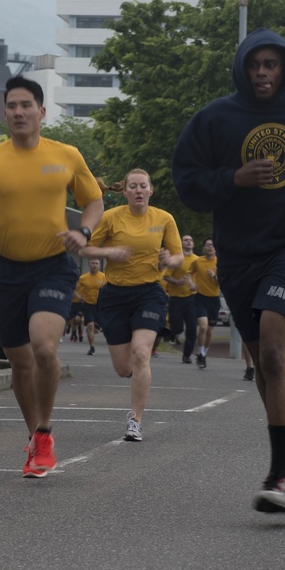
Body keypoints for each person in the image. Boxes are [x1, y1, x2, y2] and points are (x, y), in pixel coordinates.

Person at [172, 27, 285, 513]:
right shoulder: (216, 118)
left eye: (271, 65)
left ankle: (281, 474)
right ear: (243, 68)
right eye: (255, 65)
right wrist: (233, 178)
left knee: (274, 352)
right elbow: (185, 182)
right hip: (236, 253)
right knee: (264, 366)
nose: (263, 73)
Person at [0, 76, 104, 479]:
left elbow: (93, 200)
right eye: (12, 106)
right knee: (19, 363)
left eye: (26, 105)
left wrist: (84, 232)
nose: (18, 112)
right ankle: (35, 439)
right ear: (4, 113)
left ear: (41, 111)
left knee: (42, 347)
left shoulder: (67, 155)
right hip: (8, 271)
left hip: (54, 264)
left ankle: (45, 430)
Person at [80, 168, 183, 442]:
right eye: (133, 186)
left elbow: (178, 257)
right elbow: (85, 249)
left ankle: (135, 420)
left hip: (149, 293)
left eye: (143, 186)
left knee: (141, 353)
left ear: (150, 191)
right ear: (124, 191)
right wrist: (108, 252)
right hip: (114, 296)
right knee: (124, 368)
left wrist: (167, 260)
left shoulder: (164, 218)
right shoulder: (111, 218)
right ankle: (133, 380)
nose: (138, 191)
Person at [162, 234, 198, 363]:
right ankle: (174, 332)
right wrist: (177, 282)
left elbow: (199, 278)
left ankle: (186, 355)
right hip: (176, 298)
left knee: (192, 329)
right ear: (181, 244)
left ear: (193, 244)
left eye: (190, 240)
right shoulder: (177, 260)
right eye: (185, 240)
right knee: (176, 327)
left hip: (191, 299)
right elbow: (166, 277)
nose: (188, 242)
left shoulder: (197, 260)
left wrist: (195, 285)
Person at [188, 237, 220, 368]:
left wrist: (214, 276)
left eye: (212, 245)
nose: (210, 247)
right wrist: (191, 282)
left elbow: (223, 281)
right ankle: (200, 353)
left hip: (214, 299)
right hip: (200, 298)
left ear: (215, 248)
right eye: (207, 245)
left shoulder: (219, 262)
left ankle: (204, 353)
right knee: (203, 327)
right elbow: (189, 273)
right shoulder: (197, 261)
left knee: (210, 331)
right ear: (203, 248)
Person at [74, 259, 106, 355]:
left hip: (101, 306)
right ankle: (92, 347)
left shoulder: (104, 277)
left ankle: (95, 328)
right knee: (90, 325)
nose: (94, 265)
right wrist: (79, 297)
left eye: (96, 263)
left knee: (99, 329)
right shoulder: (83, 278)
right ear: (89, 265)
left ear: (99, 266)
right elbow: (74, 289)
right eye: (93, 263)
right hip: (88, 305)